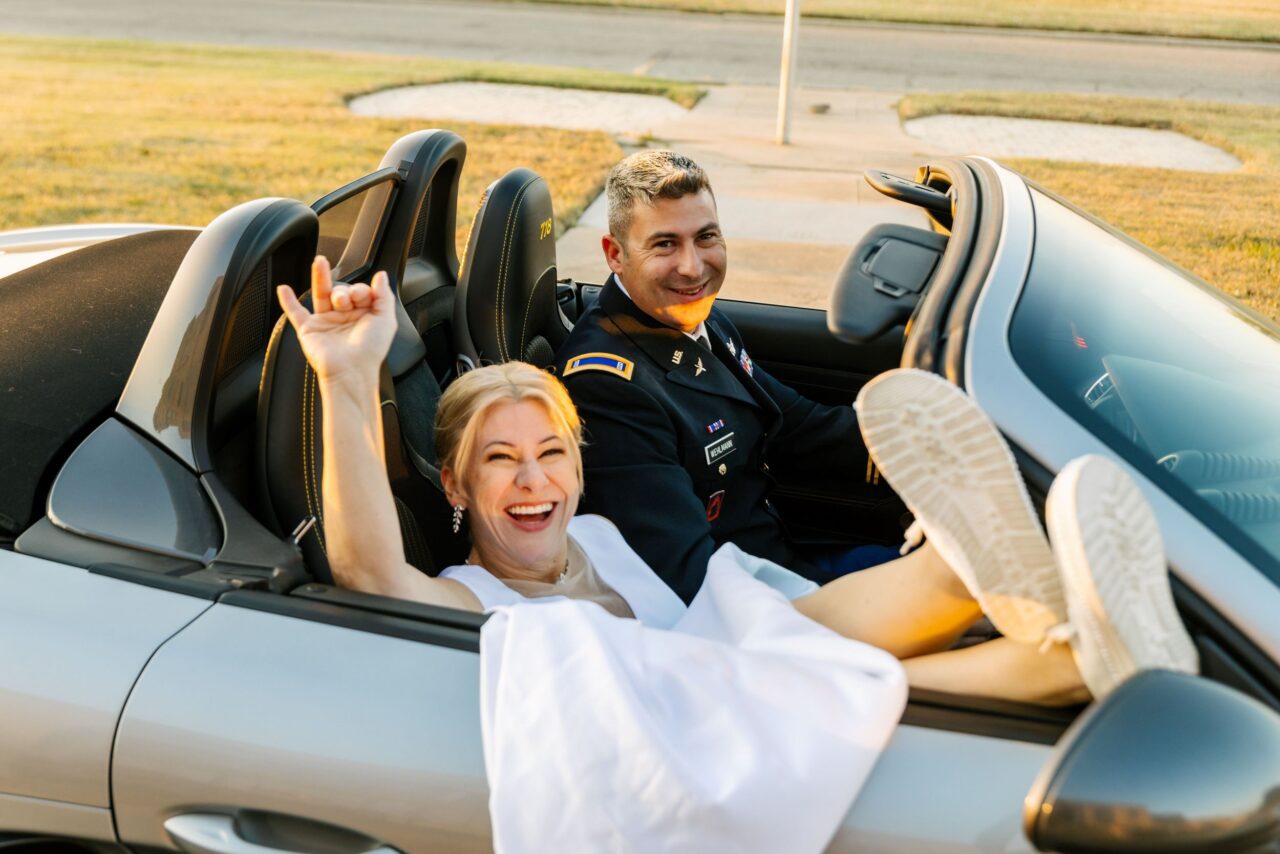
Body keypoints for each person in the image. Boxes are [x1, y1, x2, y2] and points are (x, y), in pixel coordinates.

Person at [275, 256, 1198, 704]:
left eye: (551, 453)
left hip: (747, 655)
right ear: (457, 489)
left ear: (577, 468)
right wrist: (346, 377)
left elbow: (726, 618)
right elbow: (368, 573)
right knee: (814, 670)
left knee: (792, 635)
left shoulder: (596, 536)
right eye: (499, 461)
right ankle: (1009, 598)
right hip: (702, 718)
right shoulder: (472, 597)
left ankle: (1014, 603)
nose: (532, 481)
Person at [553, 150, 897, 603]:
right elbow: (688, 579)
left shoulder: (694, 319)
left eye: (706, 237)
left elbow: (800, 425)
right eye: (664, 244)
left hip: (782, 558)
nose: (693, 267)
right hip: (762, 606)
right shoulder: (607, 387)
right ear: (615, 254)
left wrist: (924, 440)